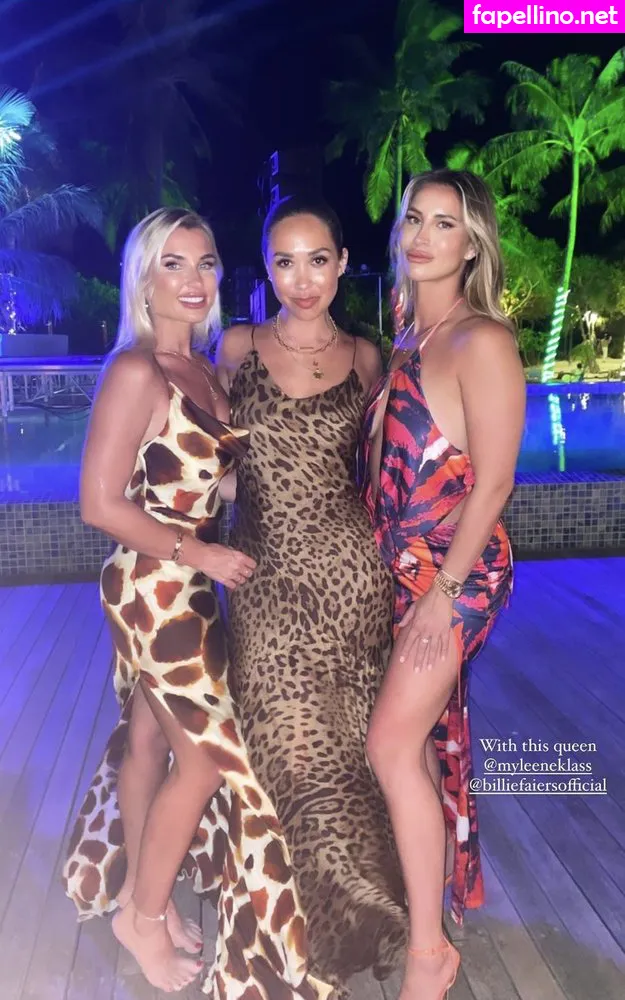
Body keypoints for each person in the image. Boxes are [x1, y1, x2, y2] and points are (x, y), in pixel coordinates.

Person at [62, 207, 332, 1000]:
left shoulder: (205, 372)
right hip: (155, 585)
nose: (192, 280)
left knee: (152, 741)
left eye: (204, 263)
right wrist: (198, 552)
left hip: (188, 584)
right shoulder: (136, 371)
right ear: (142, 279)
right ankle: (142, 918)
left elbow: (218, 482)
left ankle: (138, 898)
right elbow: (97, 504)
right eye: (171, 264)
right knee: (208, 761)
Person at [217, 195, 407, 998]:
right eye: (285, 262)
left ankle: (370, 920)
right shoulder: (236, 347)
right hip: (263, 583)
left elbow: (386, 474)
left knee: (352, 756)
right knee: (287, 757)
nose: (302, 279)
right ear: (267, 269)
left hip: (350, 587)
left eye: (317, 260)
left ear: (341, 263)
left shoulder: (366, 358)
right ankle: (303, 929)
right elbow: (215, 457)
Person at [360, 169, 526, 1000]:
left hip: (455, 576)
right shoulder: (407, 338)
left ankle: (428, 955)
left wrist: (441, 595)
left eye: (444, 224)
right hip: (404, 572)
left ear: (471, 245)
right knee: (416, 744)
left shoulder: (480, 341)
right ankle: (422, 909)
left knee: (389, 745)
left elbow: (492, 483)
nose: (422, 237)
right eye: (413, 219)